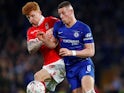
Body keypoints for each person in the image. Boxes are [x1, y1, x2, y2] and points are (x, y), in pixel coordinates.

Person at [37, 1, 96, 93]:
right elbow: (53, 44)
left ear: (71, 12)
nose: (61, 16)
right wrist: (44, 40)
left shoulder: (84, 28)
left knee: (88, 90)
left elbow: (91, 51)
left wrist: (71, 52)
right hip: (69, 67)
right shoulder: (58, 26)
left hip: (83, 64)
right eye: (59, 14)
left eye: (63, 13)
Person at [22, 1, 65, 92]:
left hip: (60, 61)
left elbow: (61, 37)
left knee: (37, 77)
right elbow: (30, 49)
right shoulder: (31, 31)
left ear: (39, 12)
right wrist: (42, 40)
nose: (30, 20)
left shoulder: (52, 21)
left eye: (32, 16)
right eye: (28, 17)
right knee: (41, 89)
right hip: (47, 65)